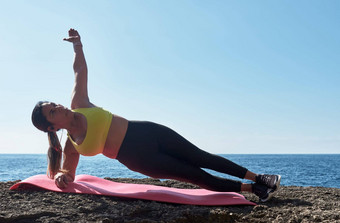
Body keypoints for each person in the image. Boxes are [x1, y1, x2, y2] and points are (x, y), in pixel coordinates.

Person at [31, 28, 281, 202]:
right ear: (52, 128)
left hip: (146, 131)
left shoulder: (79, 103)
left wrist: (77, 45)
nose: (59, 106)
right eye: (53, 112)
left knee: (200, 156)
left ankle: (259, 177)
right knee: (194, 175)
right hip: (139, 158)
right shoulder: (70, 145)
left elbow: (79, 70)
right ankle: (253, 188)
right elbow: (69, 173)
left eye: (54, 104)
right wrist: (62, 177)